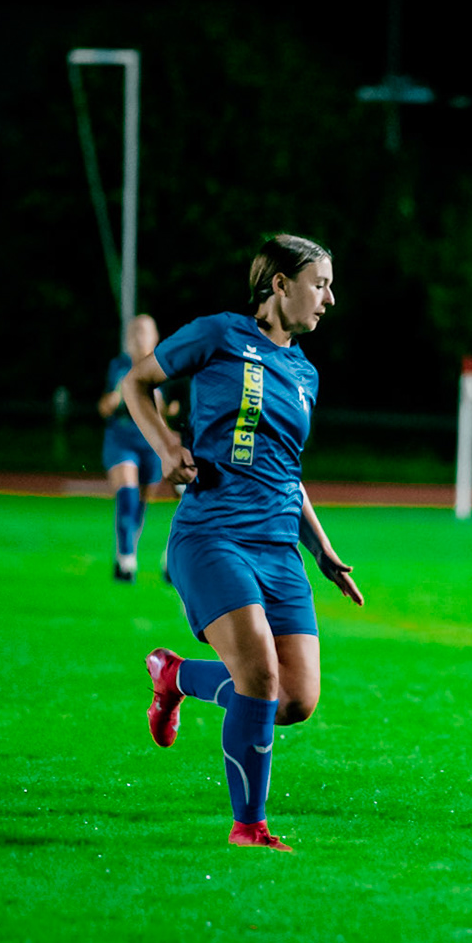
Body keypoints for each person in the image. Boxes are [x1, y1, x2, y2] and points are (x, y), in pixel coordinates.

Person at [127, 234, 364, 853]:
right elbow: (137, 383)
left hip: (279, 550)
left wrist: (322, 549)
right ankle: (249, 828)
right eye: (320, 284)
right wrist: (166, 447)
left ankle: (175, 676)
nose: (329, 299)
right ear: (280, 285)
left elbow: (288, 473)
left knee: (294, 700)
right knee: (258, 675)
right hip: (213, 535)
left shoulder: (305, 373)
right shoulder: (219, 335)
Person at [98, 313, 179, 582]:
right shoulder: (119, 367)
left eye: (144, 332)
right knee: (127, 495)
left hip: (151, 442)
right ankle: (126, 560)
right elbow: (104, 407)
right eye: (134, 332)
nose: (138, 337)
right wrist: (117, 396)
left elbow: (172, 411)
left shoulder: (165, 367)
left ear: (155, 337)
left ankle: (131, 550)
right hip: (121, 438)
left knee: (141, 503)